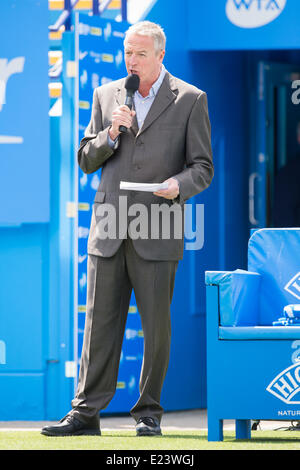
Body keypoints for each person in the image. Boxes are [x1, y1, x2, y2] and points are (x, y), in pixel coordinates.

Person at [41, 20, 213, 437]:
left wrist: (179, 186)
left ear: (160, 55)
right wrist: (110, 132)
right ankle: (85, 413)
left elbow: (203, 168)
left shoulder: (190, 99)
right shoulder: (107, 95)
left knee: (156, 328)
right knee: (99, 325)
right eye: (127, 53)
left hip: (159, 224)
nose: (131, 61)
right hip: (109, 227)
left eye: (139, 53)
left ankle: (148, 413)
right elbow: (85, 158)